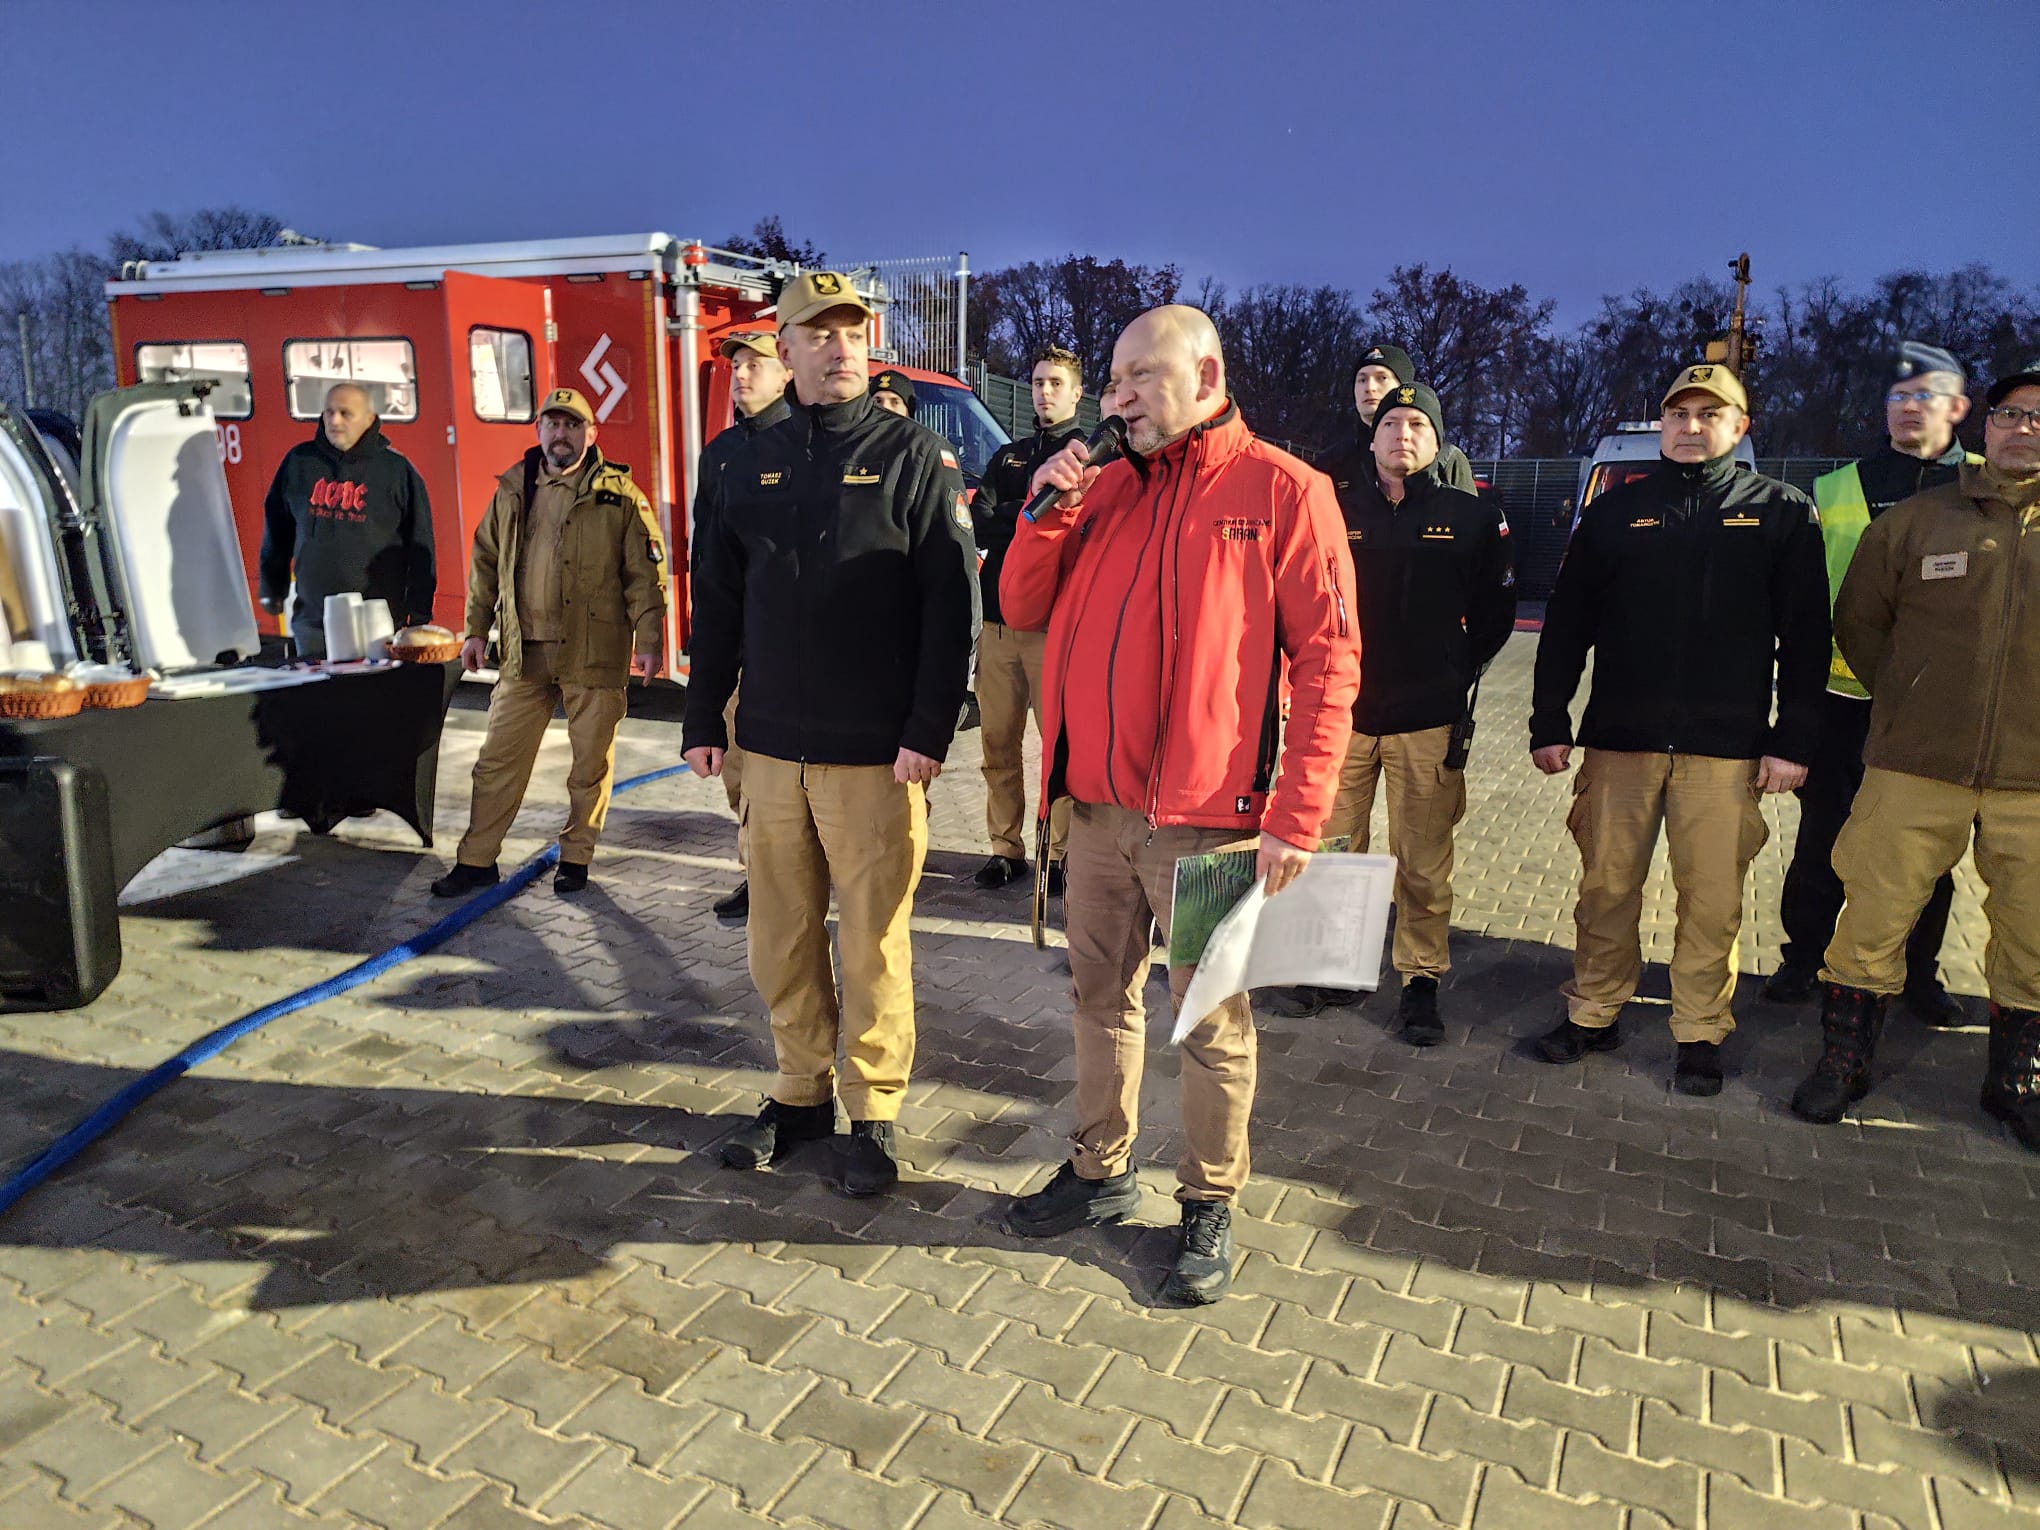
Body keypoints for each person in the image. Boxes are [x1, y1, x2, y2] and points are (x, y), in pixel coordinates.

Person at [997, 306, 1360, 1305]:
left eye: (1139, 379)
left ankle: (1207, 1200)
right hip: (1096, 813)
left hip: (1211, 822)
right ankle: (1099, 1169)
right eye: (1112, 380)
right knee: (1097, 999)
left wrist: (1296, 816)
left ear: (1204, 376)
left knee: (1209, 1020)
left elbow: (1330, 662)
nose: (1118, 399)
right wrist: (1044, 513)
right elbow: (1020, 605)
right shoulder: (1104, 488)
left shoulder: (1284, 491)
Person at [681, 272, 980, 1197]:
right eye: (819, 333)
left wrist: (930, 728)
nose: (841, 347)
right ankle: (800, 1093)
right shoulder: (743, 462)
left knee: (872, 942)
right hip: (769, 750)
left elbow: (951, 606)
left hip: (876, 758)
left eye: (853, 330)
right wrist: (703, 713)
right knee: (780, 935)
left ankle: (874, 1110)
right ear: (785, 349)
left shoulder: (911, 455)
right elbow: (717, 598)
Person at [1530, 363, 1829, 1096]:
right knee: (1606, 888)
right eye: (1678, 414)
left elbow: (1807, 636)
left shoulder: (1781, 512)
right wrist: (1549, 718)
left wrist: (1793, 739)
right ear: (1662, 423)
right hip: (1621, 742)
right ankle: (1594, 1010)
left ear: (1741, 426)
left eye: (1709, 414)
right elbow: (1567, 623)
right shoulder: (1615, 512)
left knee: (1713, 900)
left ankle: (1699, 1029)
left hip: (1726, 750)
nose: (1691, 427)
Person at [1792, 360, 2040, 1146]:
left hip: (2033, 780)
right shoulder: (1917, 521)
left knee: (2034, 932)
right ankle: (1844, 1060)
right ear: (1985, 424)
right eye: (2011, 413)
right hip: (1913, 764)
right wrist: (1911, 698)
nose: (2024, 428)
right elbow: (1861, 624)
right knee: (1871, 914)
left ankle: (2016, 1081)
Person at [1270, 381, 1515, 1037]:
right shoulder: (1334, 508)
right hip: (1343, 716)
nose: (1402, 435)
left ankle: (1420, 978)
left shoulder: (1472, 517)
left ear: (1437, 440)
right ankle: (1331, 966)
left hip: (1428, 718)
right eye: (1390, 424)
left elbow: (1495, 616)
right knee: (1333, 850)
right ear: (1372, 437)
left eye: (1417, 425)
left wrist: (1452, 667)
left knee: (1423, 860)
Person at [1767, 342, 1976, 1022]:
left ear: (1958, 407)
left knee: (1927, 850)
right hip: (1843, 702)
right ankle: (1803, 958)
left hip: (1943, 709)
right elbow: (1806, 607)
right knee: (1824, 840)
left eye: (1925, 396)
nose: (1909, 408)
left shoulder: (1989, 484)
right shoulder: (1835, 490)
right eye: (1898, 397)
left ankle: (1918, 973)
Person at [430, 388, 665, 898]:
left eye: (573, 425)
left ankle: (576, 858)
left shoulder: (619, 495)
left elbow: (645, 576)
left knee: (589, 765)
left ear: (591, 434)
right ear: (538, 431)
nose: (562, 434)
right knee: (497, 761)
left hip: (593, 651)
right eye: (553, 424)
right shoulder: (513, 488)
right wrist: (475, 629)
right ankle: (477, 860)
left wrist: (649, 640)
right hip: (525, 652)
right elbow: (485, 563)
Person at [970, 345, 1087, 894]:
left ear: (1077, 393)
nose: (1044, 392)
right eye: (1038, 382)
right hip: (997, 627)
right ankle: (1005, 848)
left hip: (1054, 630)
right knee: (998, 744)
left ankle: (1060, 854)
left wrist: (1014, 516)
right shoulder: (1009, 456)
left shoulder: (1089, 459)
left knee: (1060, 748)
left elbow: (1075, 531)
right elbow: (978, 520)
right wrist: (1031, 513)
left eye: (1056, 383)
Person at [695, 332, 794, 923]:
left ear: (786, 372)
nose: (741, 375)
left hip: (786, 649)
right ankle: (758, 874)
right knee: (738, 771)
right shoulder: (722, 453)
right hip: (736, 642)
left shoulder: (804, 443)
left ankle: (793, 875)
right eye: (736, 366)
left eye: (756, 364)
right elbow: (707, 556)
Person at [258, 381, 434, 657]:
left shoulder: (396, 471)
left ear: (369, 419)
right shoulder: (299, 462)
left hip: (376, 622)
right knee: (316, 684)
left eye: (345, 413)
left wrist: (419, 611)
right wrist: (272, 587)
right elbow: (277, 530)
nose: (334, 420)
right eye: (329, 412)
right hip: (313, 619)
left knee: (371, 686)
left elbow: (420, 544)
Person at [1320, 343, 1476, 497]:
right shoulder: (1332, 462)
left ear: (1404, 388)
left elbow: (1467, 512)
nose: (1369, 387)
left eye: (1382, 378)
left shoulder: (1445, 459)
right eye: (1362, 380)